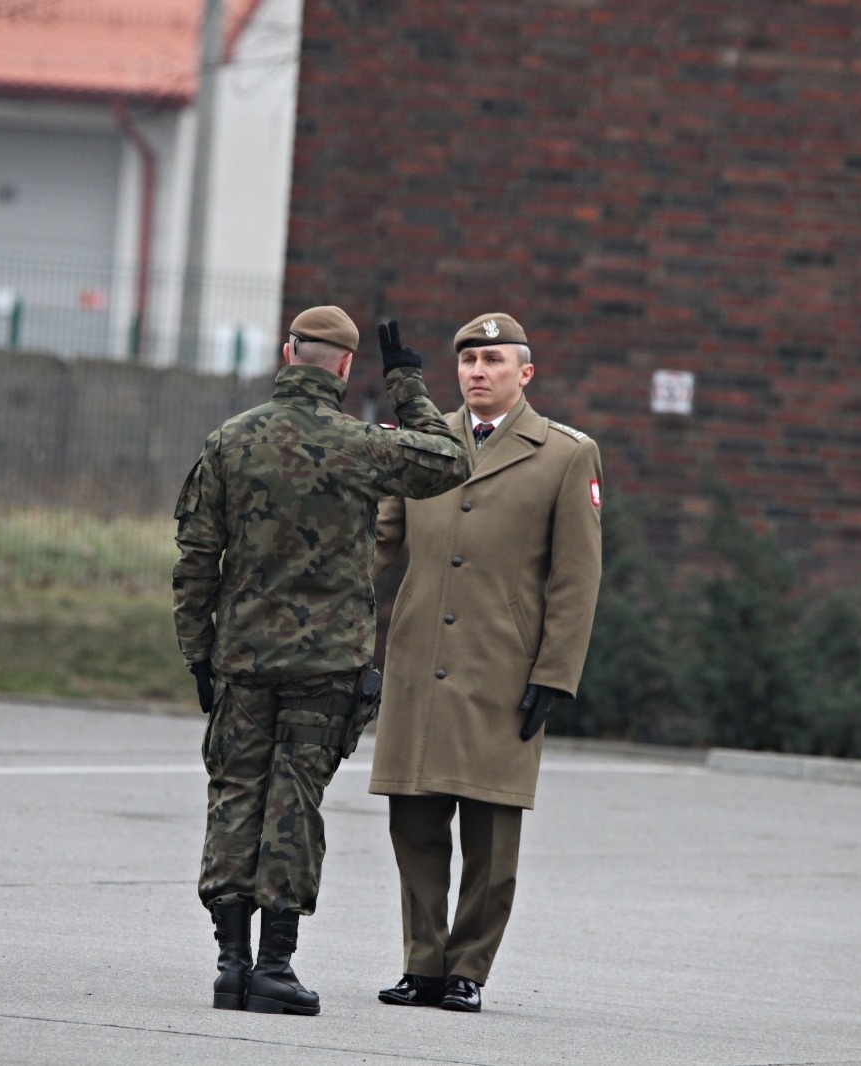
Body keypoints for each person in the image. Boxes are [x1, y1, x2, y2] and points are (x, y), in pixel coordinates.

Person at [172, 307, 468, 1016]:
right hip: (326, 663)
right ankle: (275, 966)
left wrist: (198, 655)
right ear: (342, 366)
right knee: (293, 802)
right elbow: (451, 459)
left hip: (241, 656)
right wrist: (406, 382)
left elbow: (194, 560)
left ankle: (231, 964)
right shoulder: (362, 445)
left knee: (235, 795)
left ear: (287, 353)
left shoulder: (230, 442)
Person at [368, 311, 603, 1013]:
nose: (478, 371)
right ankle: (423, 963)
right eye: (468, 359)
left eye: (494, 360)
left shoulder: (564, 453)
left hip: (504, 669)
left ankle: (468, 967)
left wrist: (554, 675)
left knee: (491, 832)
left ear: (524, 373)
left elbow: (576, 576)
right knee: (413, 821)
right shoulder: (424, 443)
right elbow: (379, 542)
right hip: (419, 661)